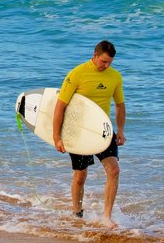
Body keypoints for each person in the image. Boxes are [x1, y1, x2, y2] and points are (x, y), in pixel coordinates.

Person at [52, 40, 126, 228]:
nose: (106, 66)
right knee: (80, 177)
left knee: (114, 170)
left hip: (103, 130)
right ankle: (77, 214)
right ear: (95, 55)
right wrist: (56, 136)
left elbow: (119, 105)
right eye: (103, 62)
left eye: (110, 62)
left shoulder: (115, 76)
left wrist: (121, 130)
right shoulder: (77, 74)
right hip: (79, 131)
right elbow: (60, 106)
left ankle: (106, 217)